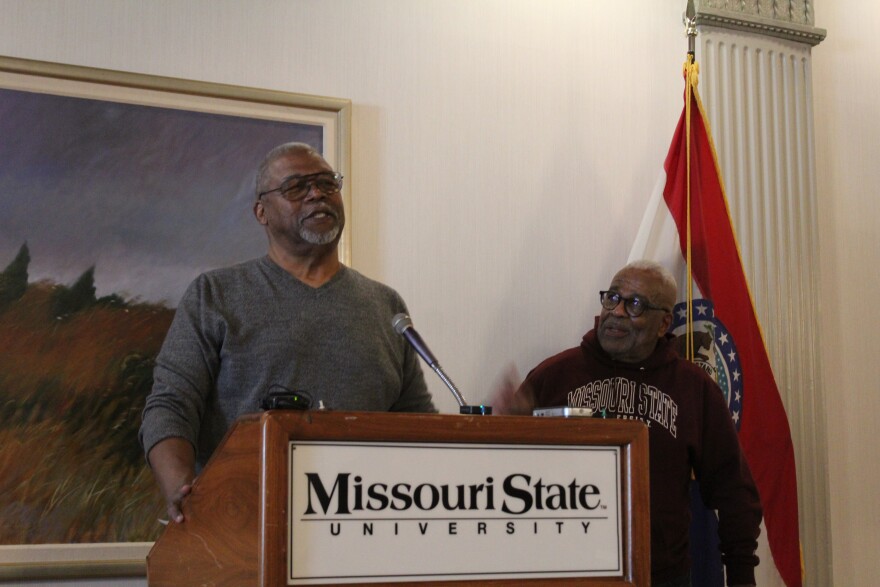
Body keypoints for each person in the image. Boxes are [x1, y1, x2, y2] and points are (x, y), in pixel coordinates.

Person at [139, 142, 436, 524]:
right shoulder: (214, 295)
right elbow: (170, 406)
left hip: (367, 528)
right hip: (243, 526)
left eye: (327, 183)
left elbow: (417, 424)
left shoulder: (385, 305)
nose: (317, 194)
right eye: (297, 187)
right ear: (261, 212)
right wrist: (185, 491)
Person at [492, 260, 761, 587]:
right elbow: (505, 481)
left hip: (660, 575)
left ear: (663, 323)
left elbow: (733, 490)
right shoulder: (555, 376)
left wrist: (742, 575)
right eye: (612, 298)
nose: (617, 312)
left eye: (634, 304)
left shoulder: (694, 389)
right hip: (564, 573)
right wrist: (505, 429)